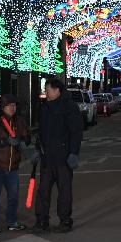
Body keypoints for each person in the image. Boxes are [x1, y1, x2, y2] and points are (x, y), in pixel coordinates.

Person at [36, 77, 83, 233]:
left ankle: (65, 220)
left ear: (56, 90)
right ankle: (42, 220)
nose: (45, 92)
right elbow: (41, 132)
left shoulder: (69, 107)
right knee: (43, 191)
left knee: (64, 191)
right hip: (47, 158)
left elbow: (76, 132)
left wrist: (73, 153)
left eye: (47, 89)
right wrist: (38, 150)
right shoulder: (44, 108)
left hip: (63, 157)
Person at [0, 93, 29, 234]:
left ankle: (12, 222)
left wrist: (23, 143)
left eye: (14, 105)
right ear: (3, 107)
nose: (12, 108)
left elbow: (27, 137)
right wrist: (5, 141)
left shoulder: (19, 121)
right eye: (9, 105)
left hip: (13, 166)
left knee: (13, 197)